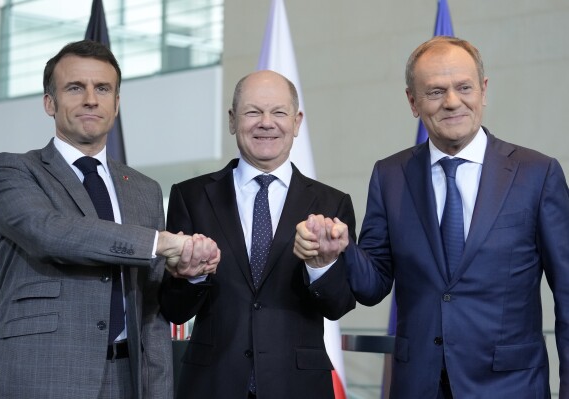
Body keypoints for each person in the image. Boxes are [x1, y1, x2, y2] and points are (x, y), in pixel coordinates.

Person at [294, 36, 569, 398]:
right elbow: (374, 284)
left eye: (464, 87)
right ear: (413, 101)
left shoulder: (537, 173)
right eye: (436, 91)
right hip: (417, 386)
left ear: (483, 90)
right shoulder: (390, 175)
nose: (452, 101)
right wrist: (342, 252)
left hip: (510, 386)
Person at [0, 40, 219, 399]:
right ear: (49, 103)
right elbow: (51, 233)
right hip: (37, 377)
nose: (91, 99)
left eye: (102, 89)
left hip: (126, 379)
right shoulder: (13, 170)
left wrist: (191, 269)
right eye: (75, 88)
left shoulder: (145, 190)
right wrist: (161, 242)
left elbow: (150, 308)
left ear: (116, 104)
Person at [159, 70, 356, 399]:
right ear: (233, 120)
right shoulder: (190, 196)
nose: (266, 122)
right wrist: (191, 277)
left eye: (279, 112)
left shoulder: (330, 203)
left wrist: (321, 265)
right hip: (212, 383)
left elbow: (339, 305)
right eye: (253, 112)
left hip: (299, 386)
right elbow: (174, 309)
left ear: (296, 122)